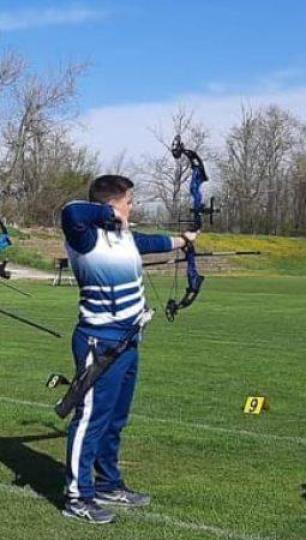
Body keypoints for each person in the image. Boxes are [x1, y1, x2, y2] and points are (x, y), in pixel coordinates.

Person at [59, 175, 196, 524]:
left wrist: (182, 240)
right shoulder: (85, 237)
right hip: (99, 340)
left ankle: (107, 483)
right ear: (111, 204)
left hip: (129, 339)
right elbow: (71, 211)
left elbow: (148, 242)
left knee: (115, 418)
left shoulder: (125, 237)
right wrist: (107, 215)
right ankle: (77, 496)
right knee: (91, 418)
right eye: (129, 201)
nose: (132, 206)